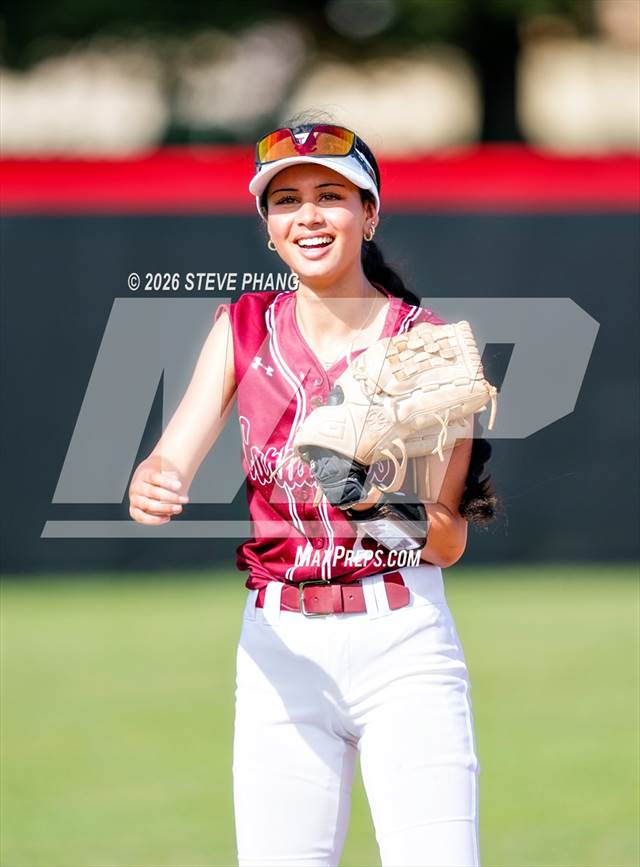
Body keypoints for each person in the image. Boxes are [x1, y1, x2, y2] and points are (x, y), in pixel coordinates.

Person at [129, 118, 499, 867]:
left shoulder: (422, 343)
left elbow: (447, 540)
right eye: (285, 200)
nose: (308, 216)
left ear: (369, 213)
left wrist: (358, 493)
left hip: (401, 640)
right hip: (280, 646)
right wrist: (154, 482)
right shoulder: (242, 327)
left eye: (331, 195)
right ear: (267, 226)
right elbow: (168, 459)